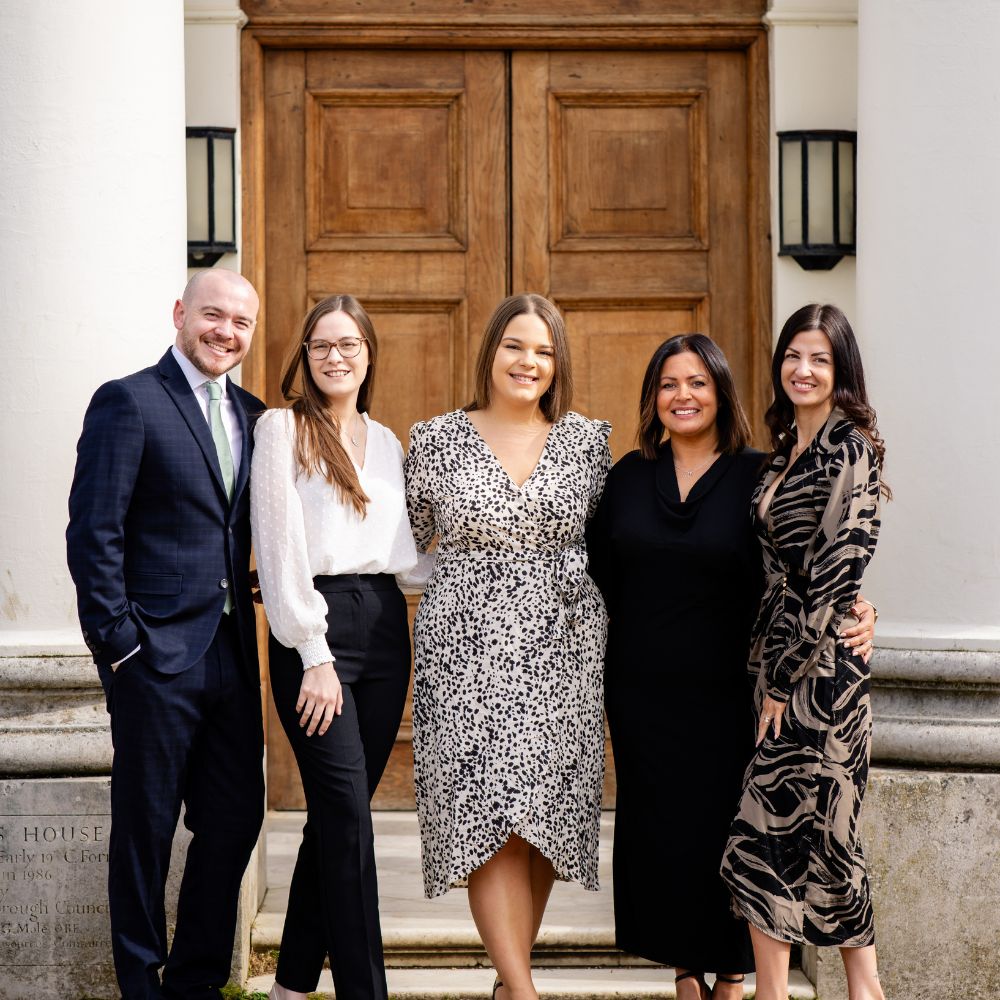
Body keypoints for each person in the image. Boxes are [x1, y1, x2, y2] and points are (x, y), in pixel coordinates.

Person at [587, 334, 876, 1000]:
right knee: (662, 826)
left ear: (721, 392)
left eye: (697, 383)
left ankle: (734, 971)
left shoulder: (759, 473)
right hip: (643, 686)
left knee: (729, 824)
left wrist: (860, 605)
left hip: (738, 686)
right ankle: (684, 968)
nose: (682, 396)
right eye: (668, 384)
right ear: (652, 398)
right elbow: (596, 577)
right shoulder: (626, 476)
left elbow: (804, 562)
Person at [404, 294, 611, 1000]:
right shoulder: (435, 439)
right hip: (465, 651)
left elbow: (623, 541)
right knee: (488, 816)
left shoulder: (588, 442)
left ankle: (506, 981)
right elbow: (399, 542)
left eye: (544, 351)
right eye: (515, 346)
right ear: (490, 351)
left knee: (545, 817)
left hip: (565, 648)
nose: (529, 362)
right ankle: (523, 992)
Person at [66, 269, 266, 1000]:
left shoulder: (255, 414)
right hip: (152, 656)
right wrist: (120, 646)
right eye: (213, 315)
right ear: (181, 313)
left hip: (232, 656)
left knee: (236, 817)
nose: (225, 332)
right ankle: (140, 983)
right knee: (145, 829)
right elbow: (94, 532)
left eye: (241, 323)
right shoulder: (129, 401)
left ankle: (195, 981)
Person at [251, 295, 421, 1000]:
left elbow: (408, 559)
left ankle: (291, 985)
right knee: (349, 818)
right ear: (305, 355)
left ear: (369, 354)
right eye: (321, 345)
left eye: (349, 344)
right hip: (313, 630)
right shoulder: (281, 429)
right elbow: (278, 547)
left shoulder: (387, 442)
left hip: (383, 627)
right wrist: (312, 653)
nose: (335, 356)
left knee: (335, 817)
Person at [720, 304, 889, 1000]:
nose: (803, 369)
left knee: (775, 829)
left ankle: (787, 992)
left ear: (841, 369)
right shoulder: (786, 450)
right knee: (817, 834)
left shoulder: (850, 448)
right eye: (793, 355)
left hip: (818, 677)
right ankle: (858, 990)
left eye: (819, 358)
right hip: (781, 658)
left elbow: (837, 571)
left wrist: (782, 684)